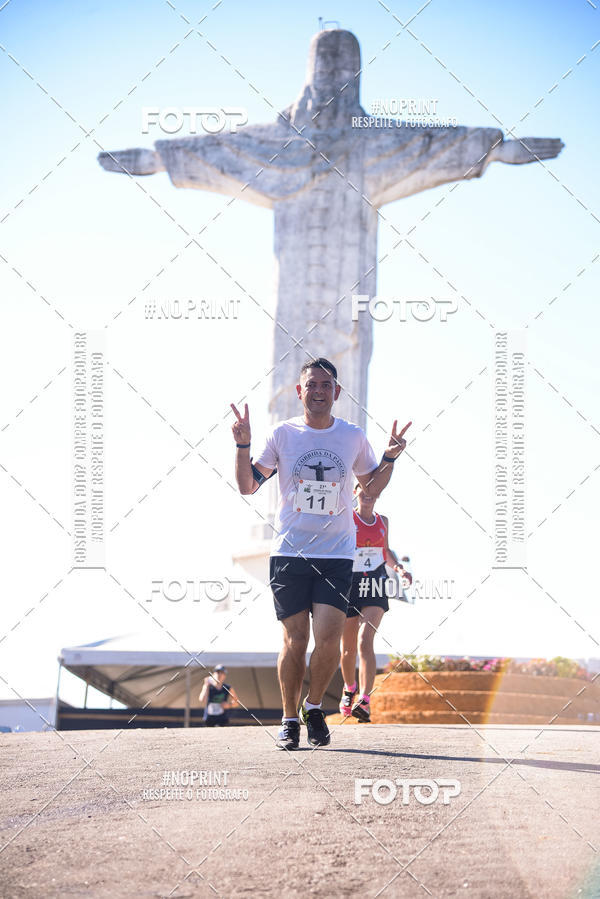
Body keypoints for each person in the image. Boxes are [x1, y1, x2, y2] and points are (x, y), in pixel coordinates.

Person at [231, 357, 411, 749]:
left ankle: (315, 707)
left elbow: (371, 489)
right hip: (290, 554)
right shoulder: (282, 435)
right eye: (311, 385)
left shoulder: (351, 437)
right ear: (300, 391)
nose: (318, 391)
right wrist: (243, 444)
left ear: (337, 393)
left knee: (328, 638)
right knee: (294, 640)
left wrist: (391, 457)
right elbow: (248, 485)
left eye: (326, 385)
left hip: (336, 554)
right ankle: (288, 719)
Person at [339, 484, 412, 723]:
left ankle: (364, 700)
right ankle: (349, 688)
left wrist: (399, 569)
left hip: (375, 584)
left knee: (365, 639)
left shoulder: (383, 521)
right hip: (349, 584)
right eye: (363, 489)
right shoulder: (346, 518)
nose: (368, 494)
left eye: (373, 490)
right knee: (347, 649)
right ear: (355, 492)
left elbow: (385, 550)